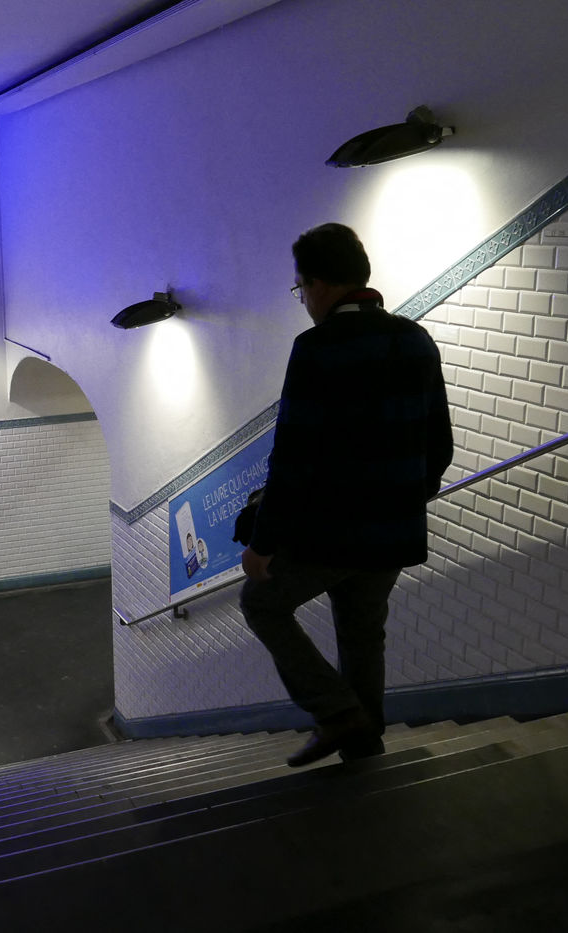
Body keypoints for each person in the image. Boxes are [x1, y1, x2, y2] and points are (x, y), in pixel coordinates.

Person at [239, 223, 453, 767]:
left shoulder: (317, 348)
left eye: (300, 289)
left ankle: (336, 713)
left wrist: (263, 542)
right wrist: (404, 499)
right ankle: (363, 747)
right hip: (396, 530)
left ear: (319, 284)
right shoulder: (414, 338)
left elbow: (292, 457)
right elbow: (441, 445)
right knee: (362, 634)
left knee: (261, 602)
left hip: (333, 533)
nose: (303, 300)